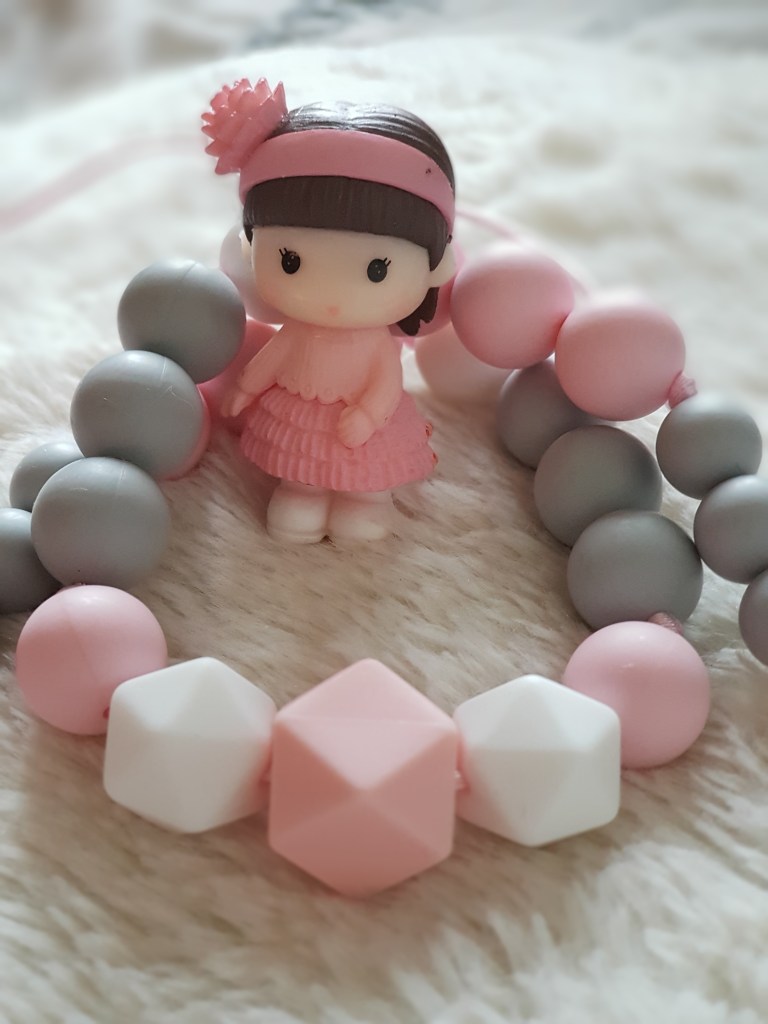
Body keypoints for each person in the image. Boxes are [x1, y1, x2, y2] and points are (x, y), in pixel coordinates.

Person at [202, 78, 456, 543]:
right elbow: (274, 357)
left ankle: (365, 503)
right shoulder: (297, 330)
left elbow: (385, 380)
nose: (333, 295)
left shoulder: (375, 343)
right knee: (300, 471)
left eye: (377, 270)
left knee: (366, 475)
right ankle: (301, 496)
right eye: (291, 262)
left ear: (436, 265)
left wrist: (369, 415)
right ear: (251, 248)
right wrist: (245, 387)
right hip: (299, 413)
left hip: (360, 422)